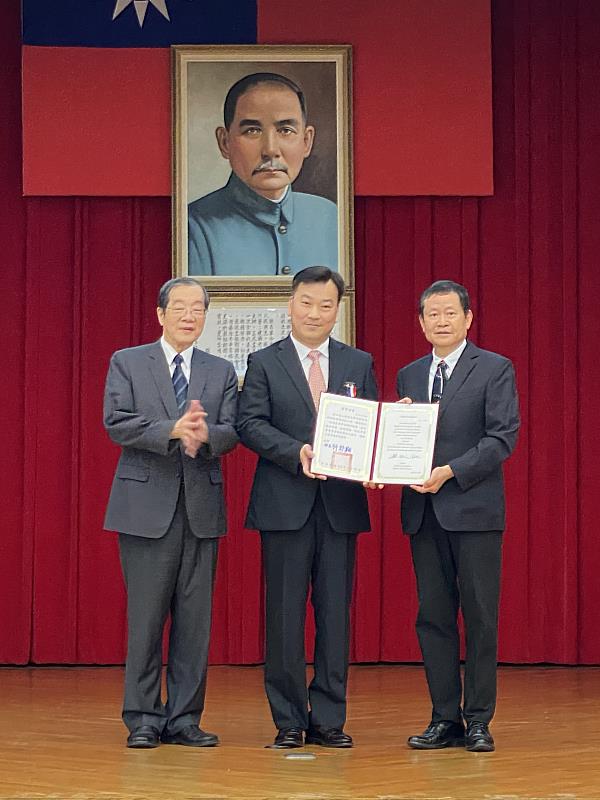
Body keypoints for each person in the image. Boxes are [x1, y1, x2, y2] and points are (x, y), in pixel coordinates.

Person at [237, 266, 378, 749]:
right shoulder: (264, 361)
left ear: (338, 310)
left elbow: (370, 424)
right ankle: (290, 721)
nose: (315, 313)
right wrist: (296, 453)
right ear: (290, 304)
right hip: (284, 504)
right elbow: (249, 423)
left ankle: (330, 720)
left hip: (340, 505)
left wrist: (380, 454)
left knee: (335, 616)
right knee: (284, 617)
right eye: (306, 302)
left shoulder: (358, 362)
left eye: (325, 305)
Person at [103, 276, 238, 749]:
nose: (187, 316)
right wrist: (173, 429)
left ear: (205, 317)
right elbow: (116, 421)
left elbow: (232, 430)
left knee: (194, 620)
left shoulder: (220, 370)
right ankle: (142, 717)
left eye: (197, 309)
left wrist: (205, 439)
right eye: (178, 307)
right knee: (146, 618)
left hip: (200, 508)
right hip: (144, 509)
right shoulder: (129, 361)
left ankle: (184, 718)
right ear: (160, 314)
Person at [396, 280, 520, 753]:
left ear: (469, 318)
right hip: (423, 514)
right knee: (433, 618)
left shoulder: (494, 368)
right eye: (433, 314)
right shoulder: (408, 376)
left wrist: (451, 471)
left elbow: (502, 437)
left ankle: (479, 720)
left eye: (451, 313)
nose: (442, 321)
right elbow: (404, 441)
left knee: (481, 618)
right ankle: (443, 717)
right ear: (421, 322)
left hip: (474, 511)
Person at [188, 72, 338, 277]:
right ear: (225, 142)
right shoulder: (194, 225)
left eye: (285, 130)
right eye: (252, 131)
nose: (270, 149)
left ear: (306, 141)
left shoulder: (329, 217)